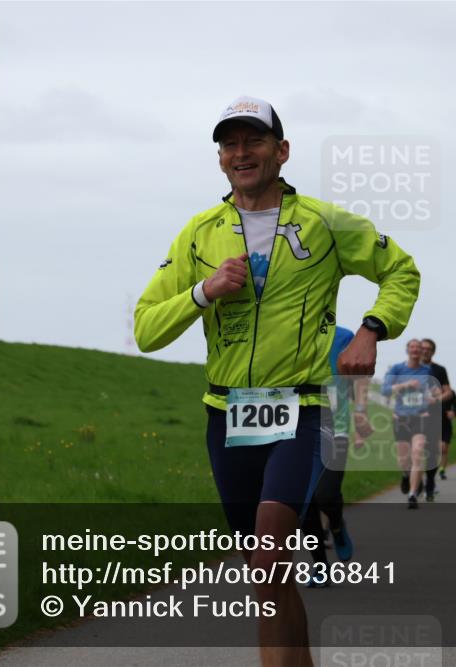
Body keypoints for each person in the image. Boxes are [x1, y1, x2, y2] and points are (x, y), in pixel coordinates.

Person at [133, 96, 420, 667]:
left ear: (281, 151)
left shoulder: (324, 222)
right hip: (228, 416)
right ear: (220, 160)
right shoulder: (199, 234)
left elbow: (400, 270)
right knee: (267, 578)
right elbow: (145, 328)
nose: (242, 153)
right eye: (230, 144)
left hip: (303, 407)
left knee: (267, 558)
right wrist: (203, 292)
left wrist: (370, 330)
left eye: (254, 141)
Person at [301, 326, 373, 586]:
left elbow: (360, 378)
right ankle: (319, 566)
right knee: (305, 503)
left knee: (326, 495)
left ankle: (337, 525)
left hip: (336, 427)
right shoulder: (284, 330)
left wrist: (361, 411)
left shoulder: (343, 337)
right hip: (296, 428)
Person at [383, 339, 435, 509]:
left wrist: (433, 397)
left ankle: (412, 494)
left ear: (422, 352)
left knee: (418, 452)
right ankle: (406, 475)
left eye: (418, 348)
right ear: (407, 350)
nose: (415, 350)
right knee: (403, 460)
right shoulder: (397, 369)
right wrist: (405, 384)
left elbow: (434, 390)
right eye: (412, 347)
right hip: (400, 418)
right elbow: (385, 390)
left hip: (420, 417)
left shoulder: (427, 371)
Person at [420, 338, 456, 484]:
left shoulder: (439, 370)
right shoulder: (411, 369)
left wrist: (437, 399)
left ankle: (429, 480)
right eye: (423, 348)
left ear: (433, 352)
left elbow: (448, 392)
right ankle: (414, 480)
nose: (425, 351)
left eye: (428, 349)